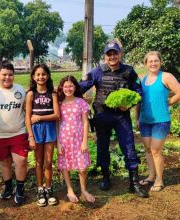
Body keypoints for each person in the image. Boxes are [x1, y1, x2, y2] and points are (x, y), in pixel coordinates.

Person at [79, 41, 148, 198]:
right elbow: (81, 87)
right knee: (103, 147)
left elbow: (139, 93)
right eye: (109, 54)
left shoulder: (129, 71)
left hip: (121, 116)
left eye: (115, 53)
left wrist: (129, 104)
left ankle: (134, 183)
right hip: (102, 115)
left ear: (120, 54)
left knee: (128, 146)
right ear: (105, 56)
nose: (112, 56)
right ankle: (105, 178)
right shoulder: (97, 72)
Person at [137, 51, 180, 192]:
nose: (153, 63)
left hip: (161, 120)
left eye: (155, 61)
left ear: (160, 62)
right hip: (145, 120)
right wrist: (137, 118)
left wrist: (168, 103)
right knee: (148, 149)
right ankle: (151, 176)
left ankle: (159, 180)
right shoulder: (143, 79)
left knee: (155, 150)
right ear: (145, 64)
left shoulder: (166, 77)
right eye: (150, 61)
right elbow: (139, 101)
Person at [0, 60, 29, 205]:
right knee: (4, 162)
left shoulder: (21, 90)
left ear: (13, 75)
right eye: (4, 74)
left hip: (18, 132)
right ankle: (8, 187)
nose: (7, 77)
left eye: (10, 74)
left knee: (21, 161)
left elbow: (26, 111)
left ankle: (20, 189)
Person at [25, 64, 60, 207]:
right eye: (38, 74)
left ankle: (49, 188)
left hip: (49, 129)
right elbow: (27, 117)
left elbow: (57, 115)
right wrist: (31, 136)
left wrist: (39, 117)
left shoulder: (52, 93)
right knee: (39, 162)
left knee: (48, 162)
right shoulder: (31, 94)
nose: (41, 77)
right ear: (33, 77)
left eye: (44, 74)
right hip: (36, 131)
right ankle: (40, 189)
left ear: (48, 76)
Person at [57, 75, 95, 203]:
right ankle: (70, 190)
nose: (68, 88)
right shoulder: (59, 104)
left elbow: (85, 123)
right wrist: (58, 143)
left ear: (75, 87)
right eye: (66, 86)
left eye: (71, 86)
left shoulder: (81, 102)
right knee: (65, 166)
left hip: (79, 140)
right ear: (62, 88)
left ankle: (84, 190)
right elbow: (57, 124)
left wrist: (85, 141)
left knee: (82, 168)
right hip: (64, 139)